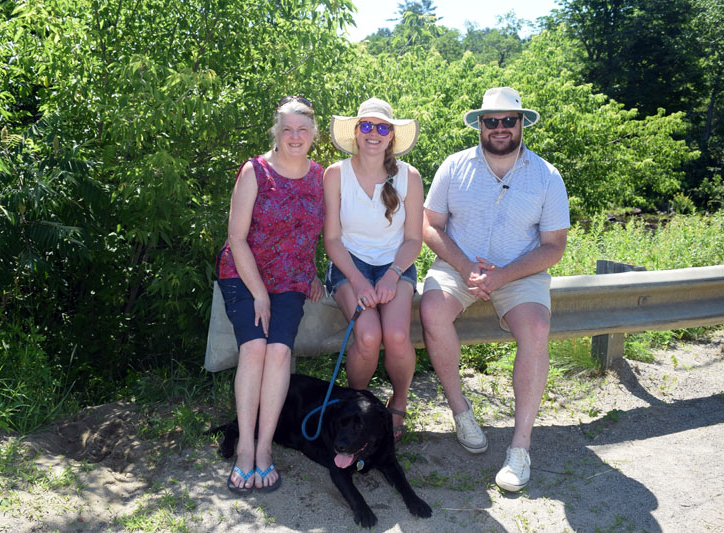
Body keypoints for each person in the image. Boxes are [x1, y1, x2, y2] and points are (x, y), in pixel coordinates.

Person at [420, 87, 570, 491]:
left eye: (509, 120)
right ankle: (461, 412)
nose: (500, 128)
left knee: (537, 329)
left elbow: (554, 246)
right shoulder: (454, 167)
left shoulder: (547, 175)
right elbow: (429, 225)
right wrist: (467, 266)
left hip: (520, 272)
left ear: (523, 123)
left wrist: (502, 276)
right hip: (457, 266)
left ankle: (520, 448)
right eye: (492, 121)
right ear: (480, 125)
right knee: (431, 309)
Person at [215, 96, 325, 494]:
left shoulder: (321, 177)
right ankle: (245, 449)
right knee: (256, 347)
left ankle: (265, 450)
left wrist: (312, 272)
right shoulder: (255, 171)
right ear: (276, 133)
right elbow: (236, 238)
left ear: (314, 133)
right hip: (244, 275)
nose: (295, 136)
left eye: (302, 129)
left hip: (291, 281)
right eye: (287, 129)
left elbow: (315, 232)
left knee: (279, 350)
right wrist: (259, 293)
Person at [323, 97, 423, 442]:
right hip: (349, 263)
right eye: (367, 125)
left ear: (392, 136)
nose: (374, 133)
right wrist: (358, 280)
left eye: (382, 127)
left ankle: (399, 403)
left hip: (396, 263)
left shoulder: (409, 176)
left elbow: (413, 240)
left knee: (395, 335)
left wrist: (393, 274)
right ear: (356, 131)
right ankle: (358, 405)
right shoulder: (335, 174)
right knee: (368, 336)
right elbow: (332, 240)